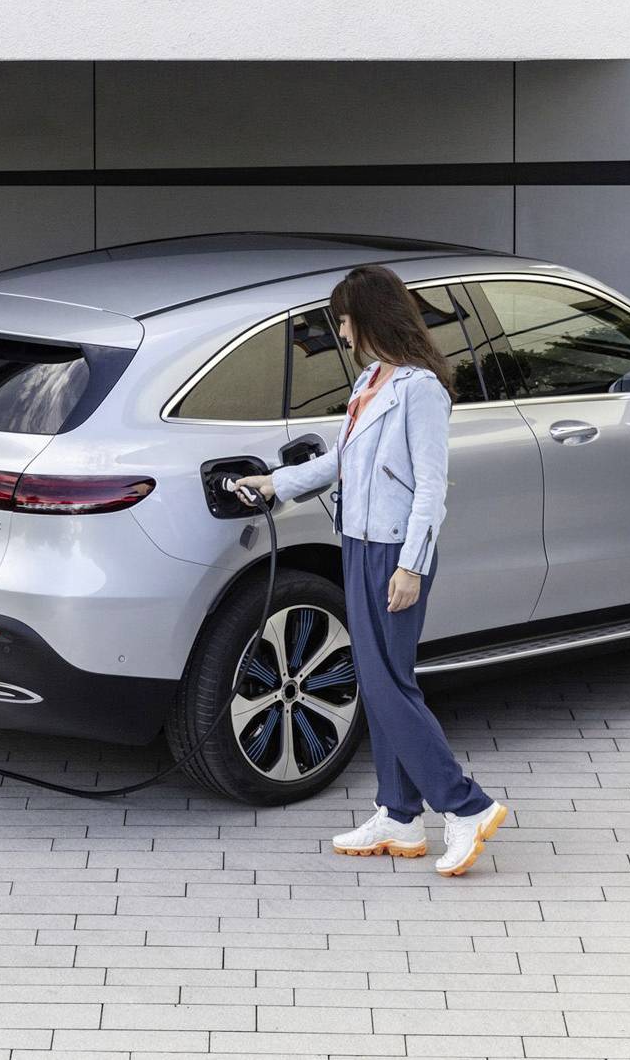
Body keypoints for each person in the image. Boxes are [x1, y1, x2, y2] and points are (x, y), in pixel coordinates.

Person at [231, 264, 511, 877]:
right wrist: (275, 484)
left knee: (388, 685)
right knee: (378, 678)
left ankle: (466, 806)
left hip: (394, 555)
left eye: (344, 318)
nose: (341, 329)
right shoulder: (369, 383)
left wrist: (410, 566)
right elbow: (340, 462)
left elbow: (432, 489)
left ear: (371, 317)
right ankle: (400, 816)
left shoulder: (421, 390)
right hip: (357, 545)